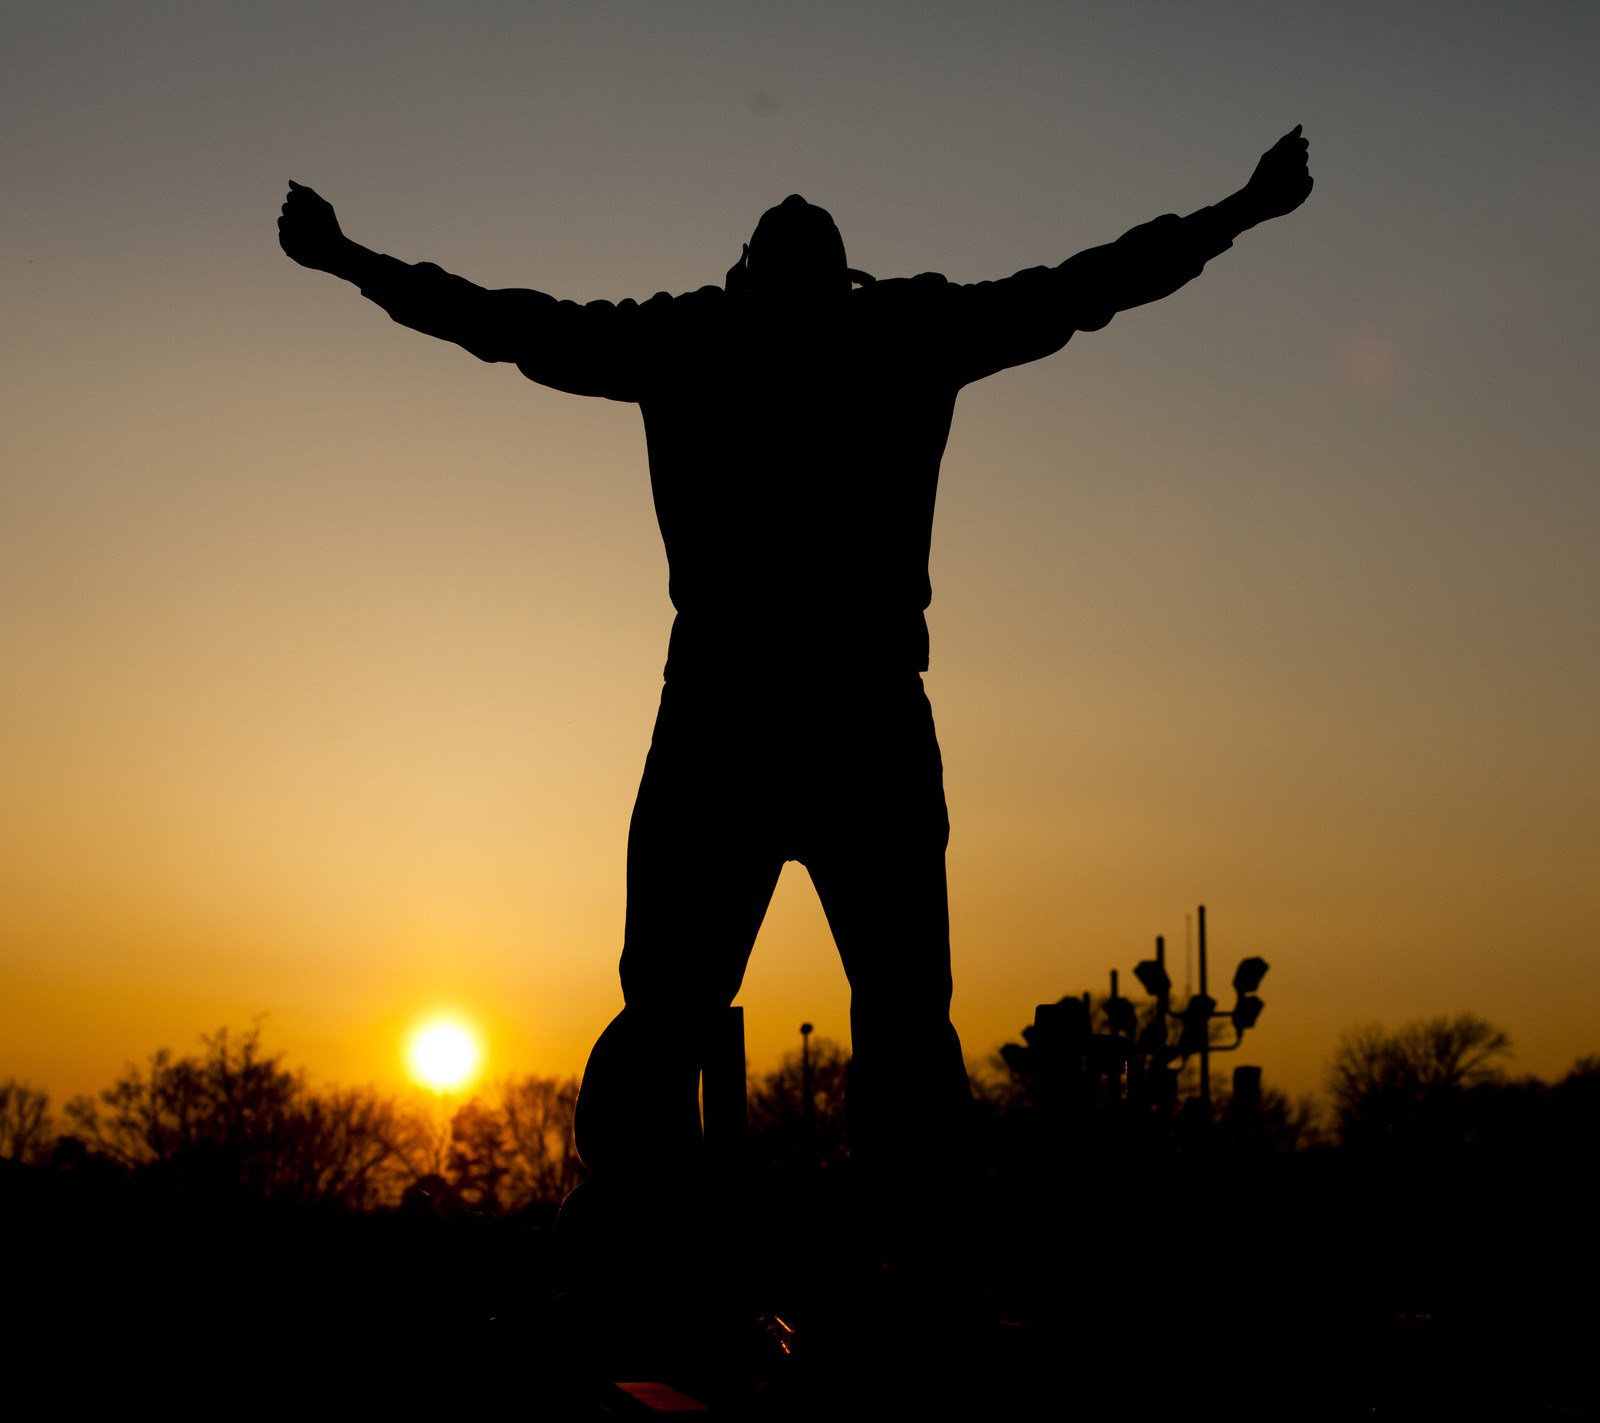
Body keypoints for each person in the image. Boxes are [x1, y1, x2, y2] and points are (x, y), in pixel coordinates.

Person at [277, 128, 1312, 1283]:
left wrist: (351, 260)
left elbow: (508, 324)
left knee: (733, 1002)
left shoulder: (717, 340)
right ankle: (838, 1233)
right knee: (841, 1006)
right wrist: (1238, 210)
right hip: (831, 711)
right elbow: (1086, 287)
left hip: (750, 710)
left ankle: (704, 1227)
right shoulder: (884, 335)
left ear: (757, 274)